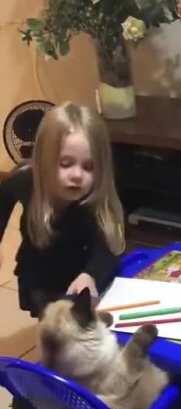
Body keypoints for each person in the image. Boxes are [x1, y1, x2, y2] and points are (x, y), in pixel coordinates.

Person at [0, 101, 125, 317]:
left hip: (83, 278)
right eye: (66, 163)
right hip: (41, 279)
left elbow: (106, 247)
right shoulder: (23, 181)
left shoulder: (94, 196)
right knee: (53, 333)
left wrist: (90, 275)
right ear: (42, 161)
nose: (77, 175)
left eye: (88, 166)